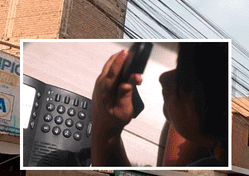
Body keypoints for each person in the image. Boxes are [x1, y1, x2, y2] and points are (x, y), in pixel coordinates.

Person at [91, 42, 228, 167]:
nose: (163, 78)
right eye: (178, 66)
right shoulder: (215, 134)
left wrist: (106, 129)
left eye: (182, 80)